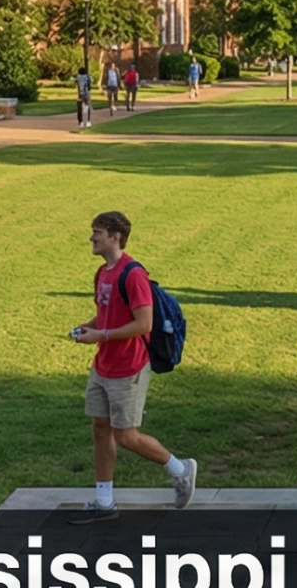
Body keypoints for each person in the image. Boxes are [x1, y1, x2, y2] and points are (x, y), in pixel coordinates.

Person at [65, 211, 199, 521]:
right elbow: (106, 313)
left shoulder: (133, 274)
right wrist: (88, 327)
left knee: (125, 435)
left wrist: (102, 334)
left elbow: (144, 323)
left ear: (115, 236)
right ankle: (104, 501)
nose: (91, 238)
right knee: (100, 428)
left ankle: (181, 470)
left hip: (129, 367)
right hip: (103, 365)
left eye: (97, 232)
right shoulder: (102, 273)